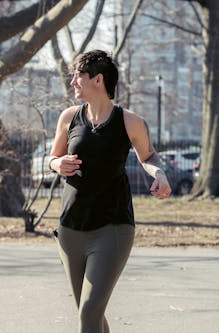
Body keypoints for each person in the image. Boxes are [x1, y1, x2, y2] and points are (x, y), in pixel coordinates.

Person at [49, 50, 172, 333]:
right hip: (70, 228)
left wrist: (160, 174)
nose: (73, 84)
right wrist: (58, 164)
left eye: (78, 77)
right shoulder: (69, 117)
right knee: (89, 313)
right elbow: (52, 158)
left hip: (112, 227)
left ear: (98, 79)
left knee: (90, 311)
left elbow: (148, 156)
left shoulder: (130, 121)